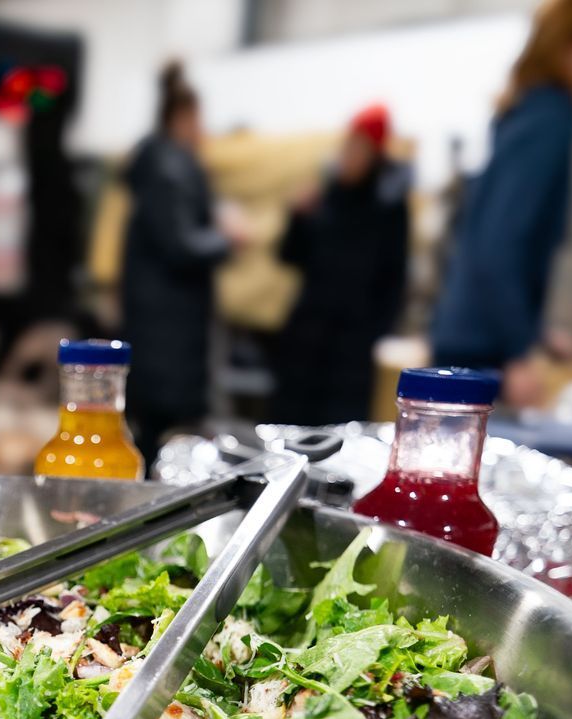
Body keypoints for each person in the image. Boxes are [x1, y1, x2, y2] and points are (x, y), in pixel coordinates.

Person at [430, 0, 572, 407]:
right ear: (568, 42)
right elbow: (498, 245)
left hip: (474, 338)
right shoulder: (550, 115)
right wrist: (518, 352)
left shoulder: (532, 111)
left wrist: (538, 335)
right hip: (482, 353)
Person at [121, 62, 240, 464]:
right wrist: (227, 238)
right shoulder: (168, 168)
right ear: (184, 116)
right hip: (166, 329)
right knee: (161, 435)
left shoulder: (163, 164)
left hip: (167, 325)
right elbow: (180, 244)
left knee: (159, 430)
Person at [269, 104, 411, 425]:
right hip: (307, 340)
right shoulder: (327, 193)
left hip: (352, 351)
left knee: (339, 436)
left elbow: (394, 277)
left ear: (375, 153)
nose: (349, 154)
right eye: (348, 145)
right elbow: (290, 256)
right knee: (290, 428)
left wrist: (376, 333)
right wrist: (297, 217)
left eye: (359, 147)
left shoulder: (388, 204)